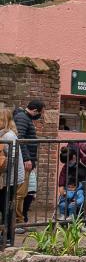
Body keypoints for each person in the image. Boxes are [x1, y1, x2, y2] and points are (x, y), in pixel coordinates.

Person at [13, 100, 42, 234]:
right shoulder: (22, 118)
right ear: (35, 110)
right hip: (24, 161)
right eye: (41, 112)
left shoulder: (24, 118)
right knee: (20, 193)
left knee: (23, 192)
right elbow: (21, 138)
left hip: (26, 160)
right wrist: (27, 158)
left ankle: (20, 221)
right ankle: (17, 222)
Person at [0, 108, 26, 243]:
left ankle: (7, 237)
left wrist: (2, 171)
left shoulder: (9, 136)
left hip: (10, 178)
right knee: (4, 205)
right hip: (6, 177)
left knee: (6, 206)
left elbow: (13, 158)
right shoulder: (3, 134)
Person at [57, 146, 86, 220]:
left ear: (74, 157)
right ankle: (62, 214)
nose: (68, 164)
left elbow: (84, 179)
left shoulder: (82, 166)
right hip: (67, 190)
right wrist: (61, 186)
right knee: (62, 204)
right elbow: (62, 176)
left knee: (75, 204)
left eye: (69, 162)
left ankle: (73, 215)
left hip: (77, 189)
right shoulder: (66, 167)